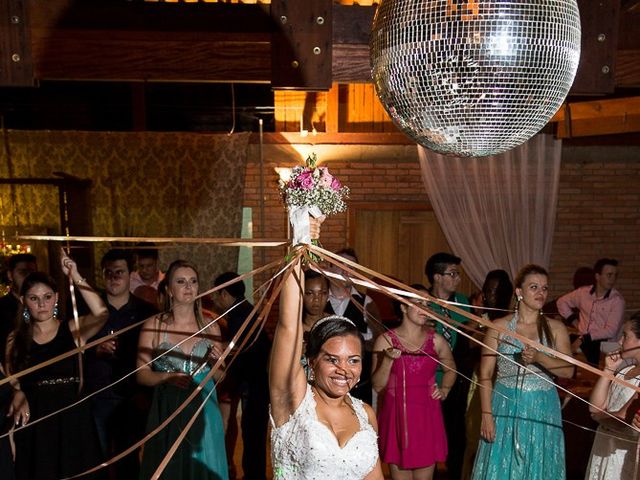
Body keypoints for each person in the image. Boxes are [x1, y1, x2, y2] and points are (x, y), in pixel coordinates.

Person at [269, 217, 383, 479]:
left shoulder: (365, 413)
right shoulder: (293, 400)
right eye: (333, 359)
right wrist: (300, 241)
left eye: (353, 360)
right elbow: (288, 325)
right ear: (310, 360)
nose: (344, 370)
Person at [6, 249, 108, 480]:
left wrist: (75, 275)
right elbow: (11, 380)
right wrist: (17, 393)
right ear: (24, 302)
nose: (42, 304)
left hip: (72, 418)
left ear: (57, 298)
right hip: (37, 421)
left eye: (47, 296)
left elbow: (101, 313)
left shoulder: (72, 330)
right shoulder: (15, 339)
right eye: (34, 298)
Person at [471, 264, 574, 480]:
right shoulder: (499, 326)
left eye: (544, 288)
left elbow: (568, 371)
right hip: (505, 405)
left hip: (543, 406)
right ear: (519, 292)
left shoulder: (555, 328)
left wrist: (540, 358)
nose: (541, 293)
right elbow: (486, 374)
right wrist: (487, 415)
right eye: (534, 287)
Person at [137, 259, 228, 480]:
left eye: (193, 281)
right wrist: (166, 378)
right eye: (181, 281)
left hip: (204, 412)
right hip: (168, 410)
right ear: (169, 289)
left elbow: (221, 376)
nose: (188, 286)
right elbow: (141, 374)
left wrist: (216, 364)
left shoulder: (211, 325)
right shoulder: (154, 325)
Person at [84, 248, 158, 477]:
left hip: (132, 396)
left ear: (129, 274)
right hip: (97, 394)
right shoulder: (89, 309)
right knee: (99, 459)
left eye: (120, 272)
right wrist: (94, 350)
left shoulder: (146, 312)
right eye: (109, 273)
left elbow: (153, 355)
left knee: (128, 460)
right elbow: (72, 349)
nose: (114, 278)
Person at [372, 284, 456, 480]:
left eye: (427, 304)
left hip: (426, 416)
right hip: (397, 417)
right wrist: (388, 360)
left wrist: (444, 389)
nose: (424, 309)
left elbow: (451, 370)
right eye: (418, 303)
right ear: (403, 306)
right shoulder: (385, 340)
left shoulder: (436, 341)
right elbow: (377, 385)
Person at [212, 272, 270, 480]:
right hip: (254, 384)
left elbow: (240, 359)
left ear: (225, 294)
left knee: (253, 434)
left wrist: (225, 382)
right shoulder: (245, 311)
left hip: (254, 386)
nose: (216, 301)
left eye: (217, 295)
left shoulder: (239, 317)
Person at [461, 270, 513, 480]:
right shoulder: (481, 318)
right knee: (475, 436)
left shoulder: (511, 321)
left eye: (495, 291)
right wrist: (479, 316)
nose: (491, 296)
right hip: (480, 382)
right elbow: (468, 341)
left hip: (504, 385)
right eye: (488, 291)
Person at [424, 252, 471, 480]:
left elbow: (466, 339)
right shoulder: (422, 302)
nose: (457, 279)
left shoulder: (462, 302)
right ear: (436, 277)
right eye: (452, 274)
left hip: (455, 380)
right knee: (428, 435)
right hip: (428, 380)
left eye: (457, 274)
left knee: (456, 436)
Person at [585, 311, 640, 479]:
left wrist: (597, 417)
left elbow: (623, 417)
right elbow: (594, 406)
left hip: (622, 451)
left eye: (625, 336)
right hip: (604, 444)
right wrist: (608, 370)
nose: (620, 341)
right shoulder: (625, 371)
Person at [325, 248, 381, 404]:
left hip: (358, 385)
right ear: (330, 268)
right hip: (324, 384)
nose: (346, 271)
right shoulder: (317, 299)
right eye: (341, 265)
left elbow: (378, 340)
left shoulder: (366, 303)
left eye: (351, 267)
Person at [557, 258, 625, 366]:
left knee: (589, 345)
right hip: (583, 338)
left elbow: (610, 331)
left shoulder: (617, 300)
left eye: (615, 276)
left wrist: (584, 338)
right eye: (609, 275)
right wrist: (575, 322)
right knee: (560, 340)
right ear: (598, 276)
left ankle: (592, 374)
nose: (612, 279)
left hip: (606, 343)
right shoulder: (583, 293)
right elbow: (561, 303)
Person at [0, 253, 37, 360]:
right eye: (23, 272)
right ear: (10, 275)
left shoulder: (43, 305)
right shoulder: (1, 307)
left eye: (32, 272)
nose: (28, 277)